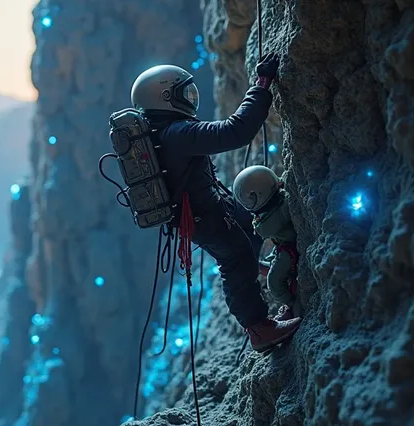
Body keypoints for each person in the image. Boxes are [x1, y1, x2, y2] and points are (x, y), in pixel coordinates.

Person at [129, 53, 302, 352]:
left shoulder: (157, 132)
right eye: (184, 92)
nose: (190, 99)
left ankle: (258, 266)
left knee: (246, 224)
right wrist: (261, 85)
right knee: (234, 257)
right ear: (166, 97)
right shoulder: (177, 133)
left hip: (198, 212)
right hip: (203, 215)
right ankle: (259, 329)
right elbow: (236, 131)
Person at [233, 165, 301, 321]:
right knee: (268, 261)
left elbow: (262, 230)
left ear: (257, 195)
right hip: (282, 245)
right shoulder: (282, 198)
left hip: (288, 249)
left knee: (274, 282)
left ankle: (292, 303)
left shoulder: (268, 221)